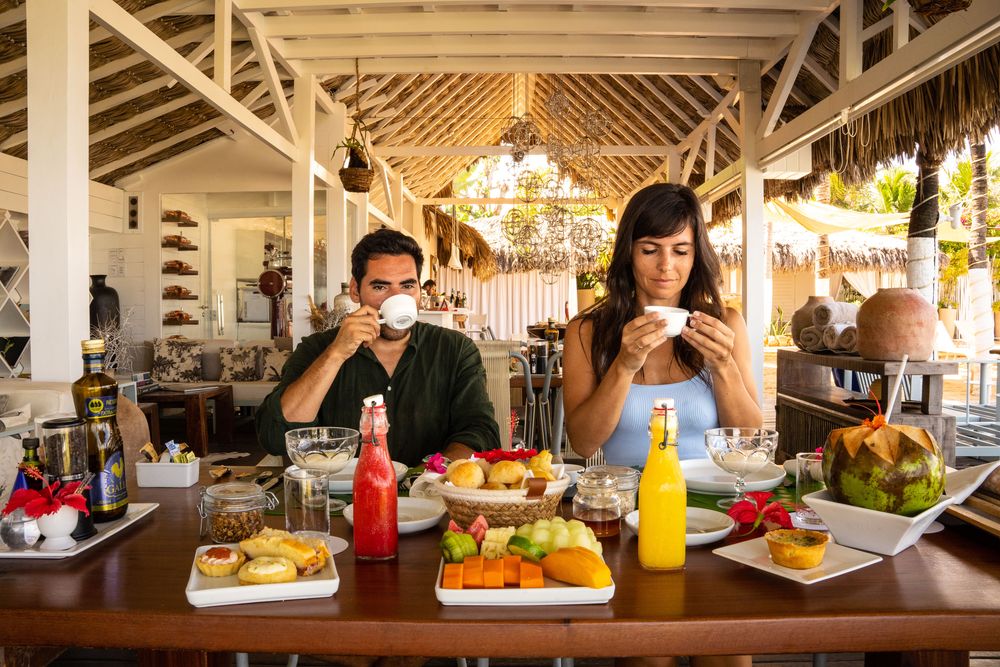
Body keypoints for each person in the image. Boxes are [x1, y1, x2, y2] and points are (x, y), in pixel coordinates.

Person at [563, 183, 759, 667]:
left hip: (717, 516)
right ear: (628, 253)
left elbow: (751, 442)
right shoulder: (589, 332)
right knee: (651, 655)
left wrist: (725, 366)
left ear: (697, 256)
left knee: (727, 654)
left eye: (680, 251)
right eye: (650, 250)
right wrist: (624, 365)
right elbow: (585, 443)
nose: (665, 267)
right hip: (630, 520)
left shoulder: (725, 324)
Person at [256, 229, 500, 466]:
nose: (396, 298)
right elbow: (275, 437)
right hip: (343, 499)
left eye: (407, 286)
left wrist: (438, 472)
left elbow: (481, 431)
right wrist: (336, 354)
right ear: (355, 290)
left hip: (431, 496)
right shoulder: (319, 349)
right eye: (380, 287)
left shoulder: (455, 350)